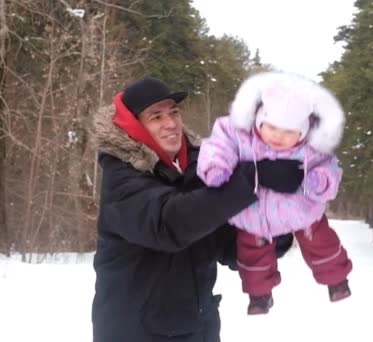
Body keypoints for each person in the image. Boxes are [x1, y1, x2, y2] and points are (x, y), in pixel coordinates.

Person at [90, 76, 302, 342]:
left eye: (174, 112)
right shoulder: (122, 181)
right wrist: (247, 181)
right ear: (134, 126)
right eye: (156, 117)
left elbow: (230, 245)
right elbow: (170, 223)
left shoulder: (197, 170)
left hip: (198, 330)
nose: (170, 124)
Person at [196, 71, 353, 315]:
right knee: (252, 253)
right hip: (253, 211)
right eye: (272, 128)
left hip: (300, 209)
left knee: (321, 242)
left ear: (303, 131)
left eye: (290, 132)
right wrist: (216, 168)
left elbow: (329, 167)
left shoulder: (313, 146)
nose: (279, 136)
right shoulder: (239, 133)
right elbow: (217, 147)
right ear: (259, 119)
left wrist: (318, 181)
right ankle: (259, 295)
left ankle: (337, 280)